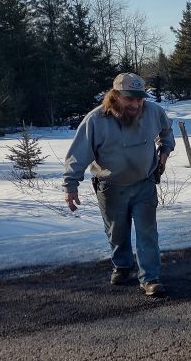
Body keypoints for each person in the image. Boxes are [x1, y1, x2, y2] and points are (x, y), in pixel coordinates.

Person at [63, 72, 175, 296]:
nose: (136, 103)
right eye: (129, 98)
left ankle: (150, 278)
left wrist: (165, 150)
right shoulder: (96, 120)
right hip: (111, 187)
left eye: (139, 98)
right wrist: (70, 185)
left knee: (147, 232)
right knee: (117, 232)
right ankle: (123, 266)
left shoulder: (153, 112)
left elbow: (167, 131)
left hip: (144, 183)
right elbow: (78, 154)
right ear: (115, 96)